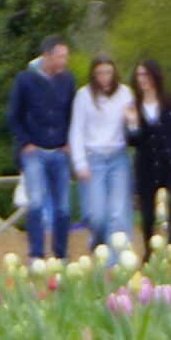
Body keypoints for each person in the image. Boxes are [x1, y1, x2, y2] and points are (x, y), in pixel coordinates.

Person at [8, 36, 76, 259]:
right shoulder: (25, 80)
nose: (64, 61)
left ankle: (61, 254)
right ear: (47, 55)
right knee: (36, 204)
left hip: (59, 150)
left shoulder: (67, 80)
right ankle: (36, 255)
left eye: (65, 56)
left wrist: (68, 140)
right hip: (34, 150)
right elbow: (13, 115)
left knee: (63, 208)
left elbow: (71, 113)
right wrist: (24, 142)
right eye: (60, 56)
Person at [70, 55, 135, 255]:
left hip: (118, 156)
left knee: (118, 212)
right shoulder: (84, 95)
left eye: (108, 72)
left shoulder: (125, 93)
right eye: (100, 73)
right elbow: (77, 130)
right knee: (96, 214)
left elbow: (134, 128)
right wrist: (80, 163)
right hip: (94, 157)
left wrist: (131, 120)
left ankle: (116, 260)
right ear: (94, 74)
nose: (104, 77)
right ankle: (98, 242)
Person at [126, 59, 171, 246]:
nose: (142, 79)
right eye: (139, 75)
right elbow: (133, 141)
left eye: (146, 74)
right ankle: (149, 249)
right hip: (147, 164)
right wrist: (132, 123)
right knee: (148, 213)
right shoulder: (134, 107)